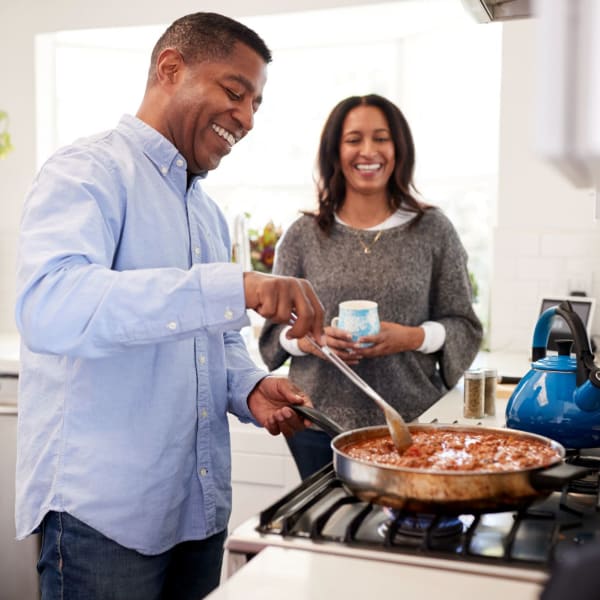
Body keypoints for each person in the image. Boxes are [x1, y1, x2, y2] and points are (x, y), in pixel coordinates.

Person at [14, 12, 325, 600]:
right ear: (170, 68)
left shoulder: (203, 211)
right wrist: (235, 288)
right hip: (104, 521)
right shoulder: (87, 172)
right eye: (235, 92)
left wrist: (250, 388)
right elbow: (51, 306)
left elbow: (211, 340)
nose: (247, 118)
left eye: (256, 104)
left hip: (196, 512)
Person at [259, 94, 483, 479]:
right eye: (353, 139)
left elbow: (464, 325)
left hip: (411, 423)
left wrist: (410, 337)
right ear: (335, 151)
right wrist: (317, 341)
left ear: (399, 148)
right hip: (318, 425)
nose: (368, 151)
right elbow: (273, 337)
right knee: (326, 530)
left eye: (381, 138)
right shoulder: (302, 236)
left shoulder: (433, 230)